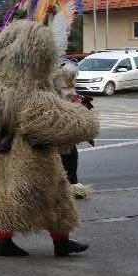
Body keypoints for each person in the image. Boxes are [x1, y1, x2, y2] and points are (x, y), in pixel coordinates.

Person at [0, 19, 99, 257]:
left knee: (0, 196)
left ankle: (4, 242)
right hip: (32, 156)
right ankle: (62, 243)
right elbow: (52, 120)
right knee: (56, 197)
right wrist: (88, 120)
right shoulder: (32, 92)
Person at [52, 60, 93, 199]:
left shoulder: (67, 88)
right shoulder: (61, 86)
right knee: (63, 153)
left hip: (65, 120)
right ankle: (66, 183)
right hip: (60, 119)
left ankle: (70, 183)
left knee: (68, 152)